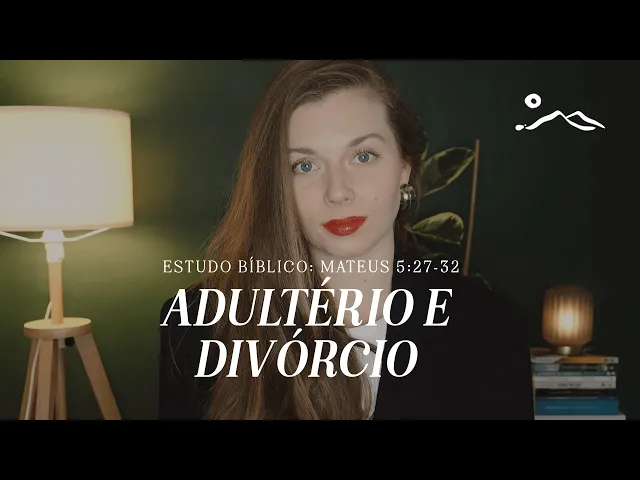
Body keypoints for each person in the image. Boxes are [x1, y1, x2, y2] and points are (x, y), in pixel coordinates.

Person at [158, 60, 534, 420]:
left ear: (404, 166)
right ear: (275, 185)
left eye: (363, 156)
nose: (338, 192)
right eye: (305, 165)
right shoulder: (197, 325)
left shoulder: (490, 328)